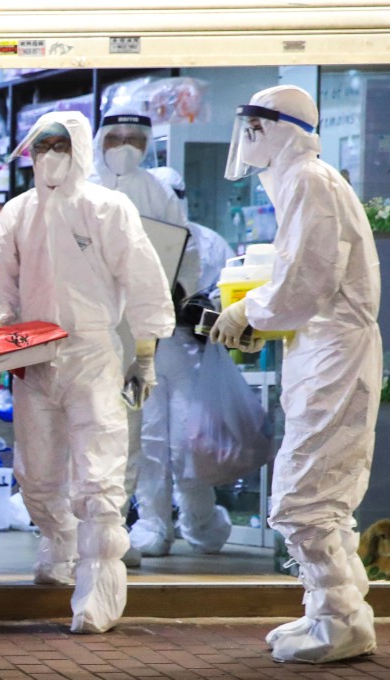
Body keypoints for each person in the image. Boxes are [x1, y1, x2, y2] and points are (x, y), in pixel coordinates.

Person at [0, 111, 174, 633]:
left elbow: (143, 280)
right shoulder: (18, 212)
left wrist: (145, 354)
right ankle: (59, 546)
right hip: (32, 356)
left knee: (97, 477)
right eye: (41, 146)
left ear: (80, 150)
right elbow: (1, 281)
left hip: (91, 354)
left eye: (59, 145)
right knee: (37, 474)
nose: (49, 156)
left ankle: (99, 589)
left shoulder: (107, 208)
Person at [213, 85, 381, 664]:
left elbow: (306, 283)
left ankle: (340, 622)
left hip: (334, 353)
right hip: (324, 350)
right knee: (323, 492)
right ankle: (334, 612)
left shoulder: (310, 182)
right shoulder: (303, 182)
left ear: (284, 131)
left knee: (303, 496)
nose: (248, 140)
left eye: (257, 129)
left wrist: (247, 310)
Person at [90, 111, 186, 567]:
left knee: (128, 428)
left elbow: (182, 254)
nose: (125, 146)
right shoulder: (80, 188)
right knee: (79, 427)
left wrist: (160, 318)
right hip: (84, 327)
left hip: (135, 333)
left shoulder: (158, 193)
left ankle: (112, 530)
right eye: (116, 137)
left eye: (134, 138)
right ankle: (73, 529)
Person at [127, 167, 235, 557]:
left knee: (191, 446)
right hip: (143, 352)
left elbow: (234, 296)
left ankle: (201, 521)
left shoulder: (210, 243)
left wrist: (206, 308)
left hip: (192, 355)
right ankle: (153, 523)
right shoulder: (132, 238)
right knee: (148, 445)